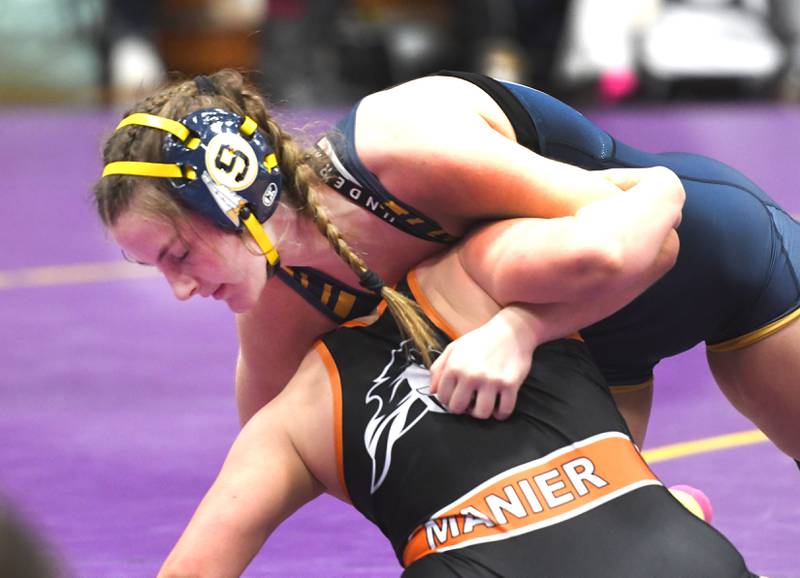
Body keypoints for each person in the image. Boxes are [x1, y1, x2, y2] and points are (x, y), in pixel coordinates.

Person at [94, 69, 800, 467]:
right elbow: (266, 470)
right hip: (598, 347)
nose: (181, 290)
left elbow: (652, 231)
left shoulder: (403, 148)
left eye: (179, 254)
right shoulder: (279, 303)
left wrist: (520, 331)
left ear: (236, 186)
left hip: (714, 252)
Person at [154, 214, 760, 577]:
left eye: (176, 257)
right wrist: (524, 326)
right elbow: (653, 232)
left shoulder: (285, 420)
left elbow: (191, 570)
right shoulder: (484, 270)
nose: (180, 288)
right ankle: (661, 507)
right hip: (679, 556)